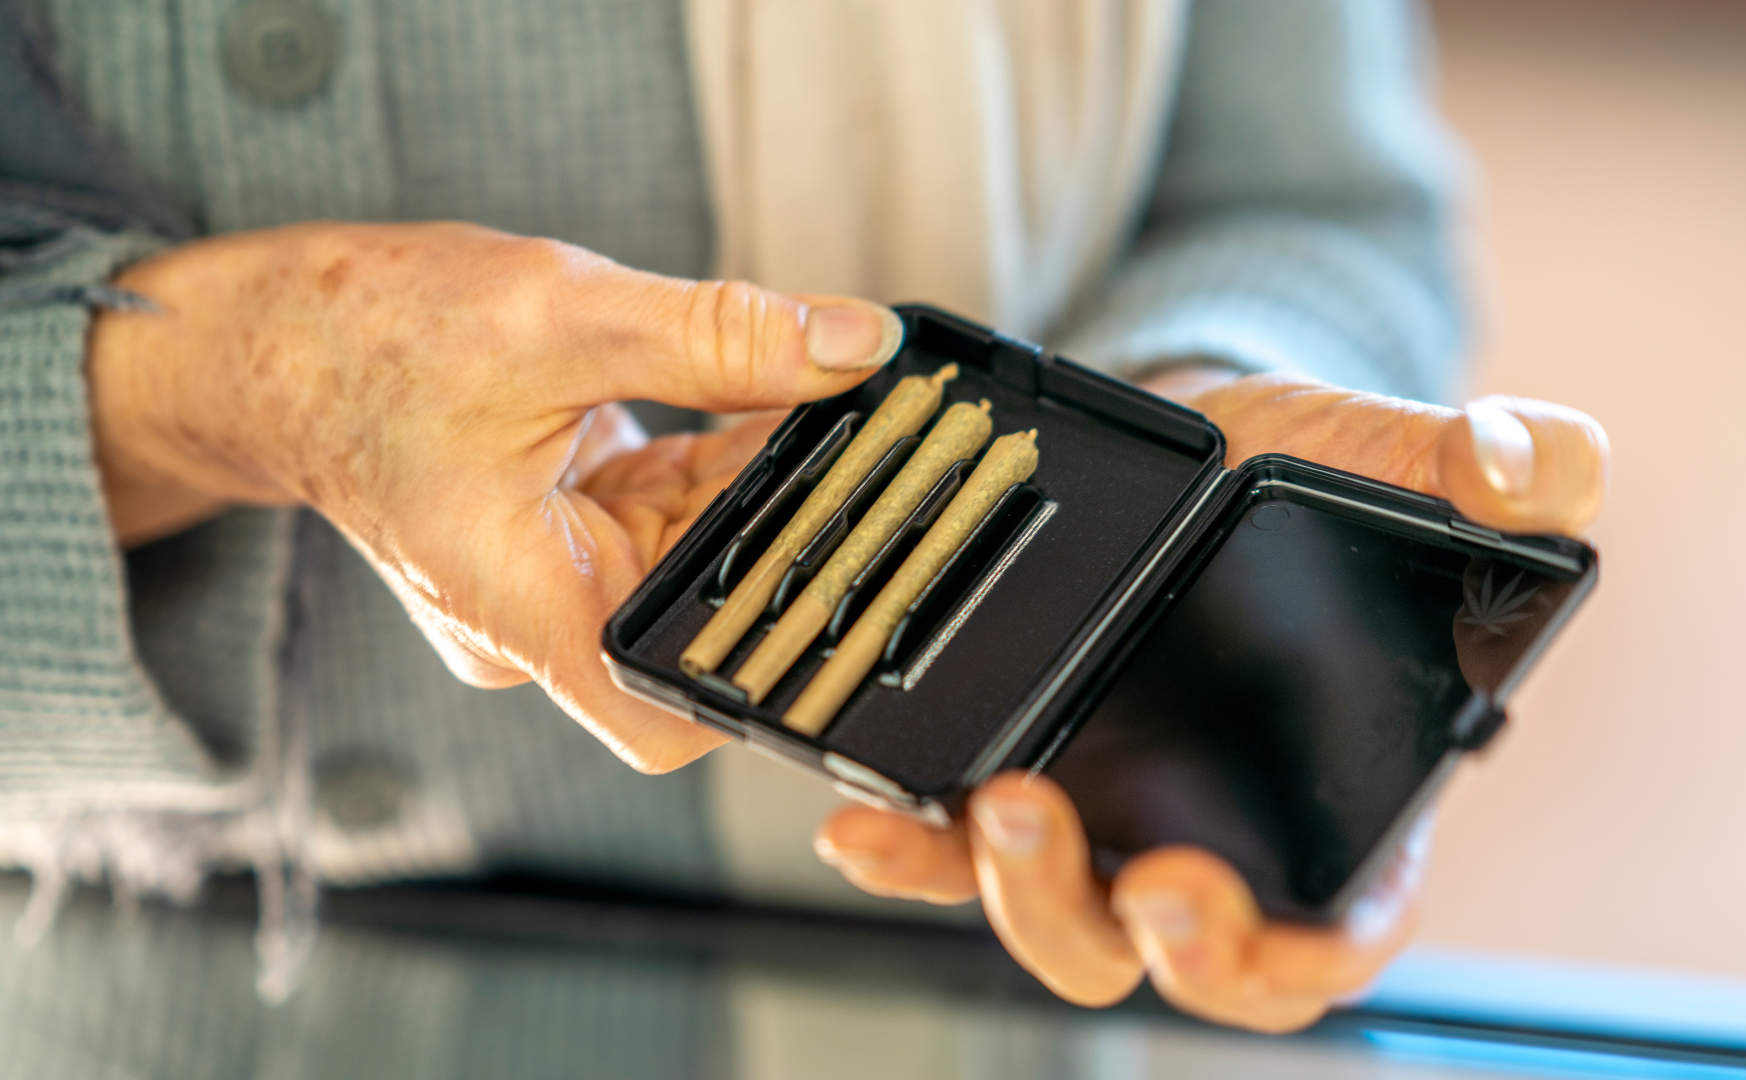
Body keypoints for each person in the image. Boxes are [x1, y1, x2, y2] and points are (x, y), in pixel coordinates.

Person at [0, 0, 1606, 1033]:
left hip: (950, 1027)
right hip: (137, 1005)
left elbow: (1313, 201)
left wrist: (1173, 451)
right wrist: (213, 387)